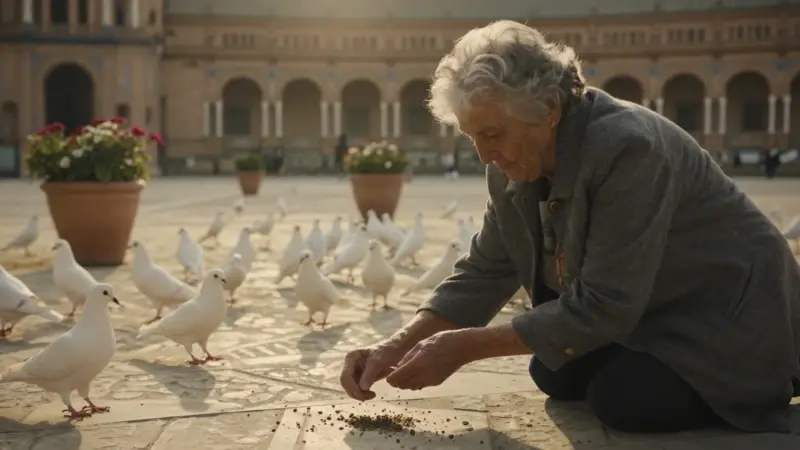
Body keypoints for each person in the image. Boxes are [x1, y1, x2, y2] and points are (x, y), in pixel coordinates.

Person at [339, 20, 800, 435]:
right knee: (553, 370)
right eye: (472, 136)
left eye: (493, 134)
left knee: (625, 401)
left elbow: (606, 304)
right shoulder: (511, 163)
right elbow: (485, 270)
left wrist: (466, 347)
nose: (482, 155)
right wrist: (394, 346)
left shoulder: (628, 148)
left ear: (548, 108)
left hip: (725, 315)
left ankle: (750, 383)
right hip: (652, 310)